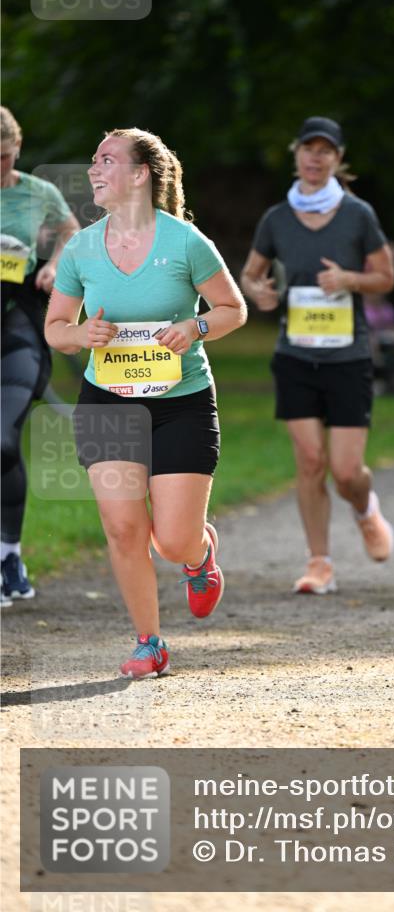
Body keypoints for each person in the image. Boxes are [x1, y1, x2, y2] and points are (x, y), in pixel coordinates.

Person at [45, 127, 247, 677]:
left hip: (181, 401)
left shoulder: (185, 242)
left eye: (106, 160)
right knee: (123, 528)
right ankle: (148, 642)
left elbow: (234, 309)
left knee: (173, 540)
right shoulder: (82, 248)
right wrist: (80, 335)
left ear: (139, 175)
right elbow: (56, 327)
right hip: (107, 401)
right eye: (93, 160)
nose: (94, 169)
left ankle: (199, 556)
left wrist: (195, 325)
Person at [241, 116, 394, 594]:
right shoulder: (276, 218)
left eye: (324, 150)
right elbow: (250, 275)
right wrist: (260, 293)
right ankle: (319, 563)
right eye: (307, 149)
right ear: (296, 155)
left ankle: (365, 509)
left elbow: (385, 277)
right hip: (295, 356)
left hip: (348, 357)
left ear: (338, 159)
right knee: (309, 461)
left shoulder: (357, 215)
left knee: (347, 471)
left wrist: (350, 280)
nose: (315, 157)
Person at [1, 106, 80, 606]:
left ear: (17, 149)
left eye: (3, 158)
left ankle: (8, 554)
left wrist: (54, 263)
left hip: (18, 324)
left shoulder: (37, 192)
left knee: (3, 441)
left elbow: (71, 230)